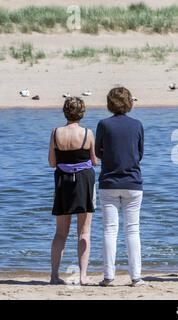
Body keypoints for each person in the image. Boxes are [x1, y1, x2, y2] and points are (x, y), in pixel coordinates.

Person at [95, 87, 145, 287]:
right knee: (132, 230)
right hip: (133, 182)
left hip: (108, 182)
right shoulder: (137, 124)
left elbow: (98, 152)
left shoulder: (103, 124)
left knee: (109, 230)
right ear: (129, 103)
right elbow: (139, 153)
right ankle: (136, 277)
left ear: (109, 104)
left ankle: (108, 276)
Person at [48, 97, 97, 286]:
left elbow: (52, 163)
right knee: (84, 232)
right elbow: (94, 161)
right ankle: (83, 276)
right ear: (82, 113)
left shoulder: (55, 133)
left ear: (65, 112)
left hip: (62, 181)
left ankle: (54, 275)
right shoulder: (87, 133)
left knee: (60, 232)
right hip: (84, 181)